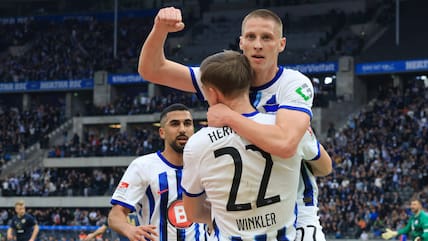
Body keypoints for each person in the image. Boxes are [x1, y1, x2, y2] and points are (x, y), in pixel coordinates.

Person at [138, 7, 332, 241]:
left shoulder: (293, 83)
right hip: (236, 215)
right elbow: (152, 70)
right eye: (251, 37)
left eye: (266, 37)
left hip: (294, 215)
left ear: (281, 44)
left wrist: (229, 117)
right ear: (241, 42)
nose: (257, 44)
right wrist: (160, 29)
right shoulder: (224, 79)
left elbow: (286, 144)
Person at [181, 50, 329, 241]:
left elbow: (193, 212)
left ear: (212, 93)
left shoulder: (197, 144)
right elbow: (325, 167)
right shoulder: (287, 131)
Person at [108, 103, 209, 241]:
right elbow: (115, 215)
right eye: (174, 124)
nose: (182, 129)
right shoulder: (142, 166)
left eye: (187, 124)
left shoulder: (207, 165)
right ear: (162, 132)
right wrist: (129, 229)